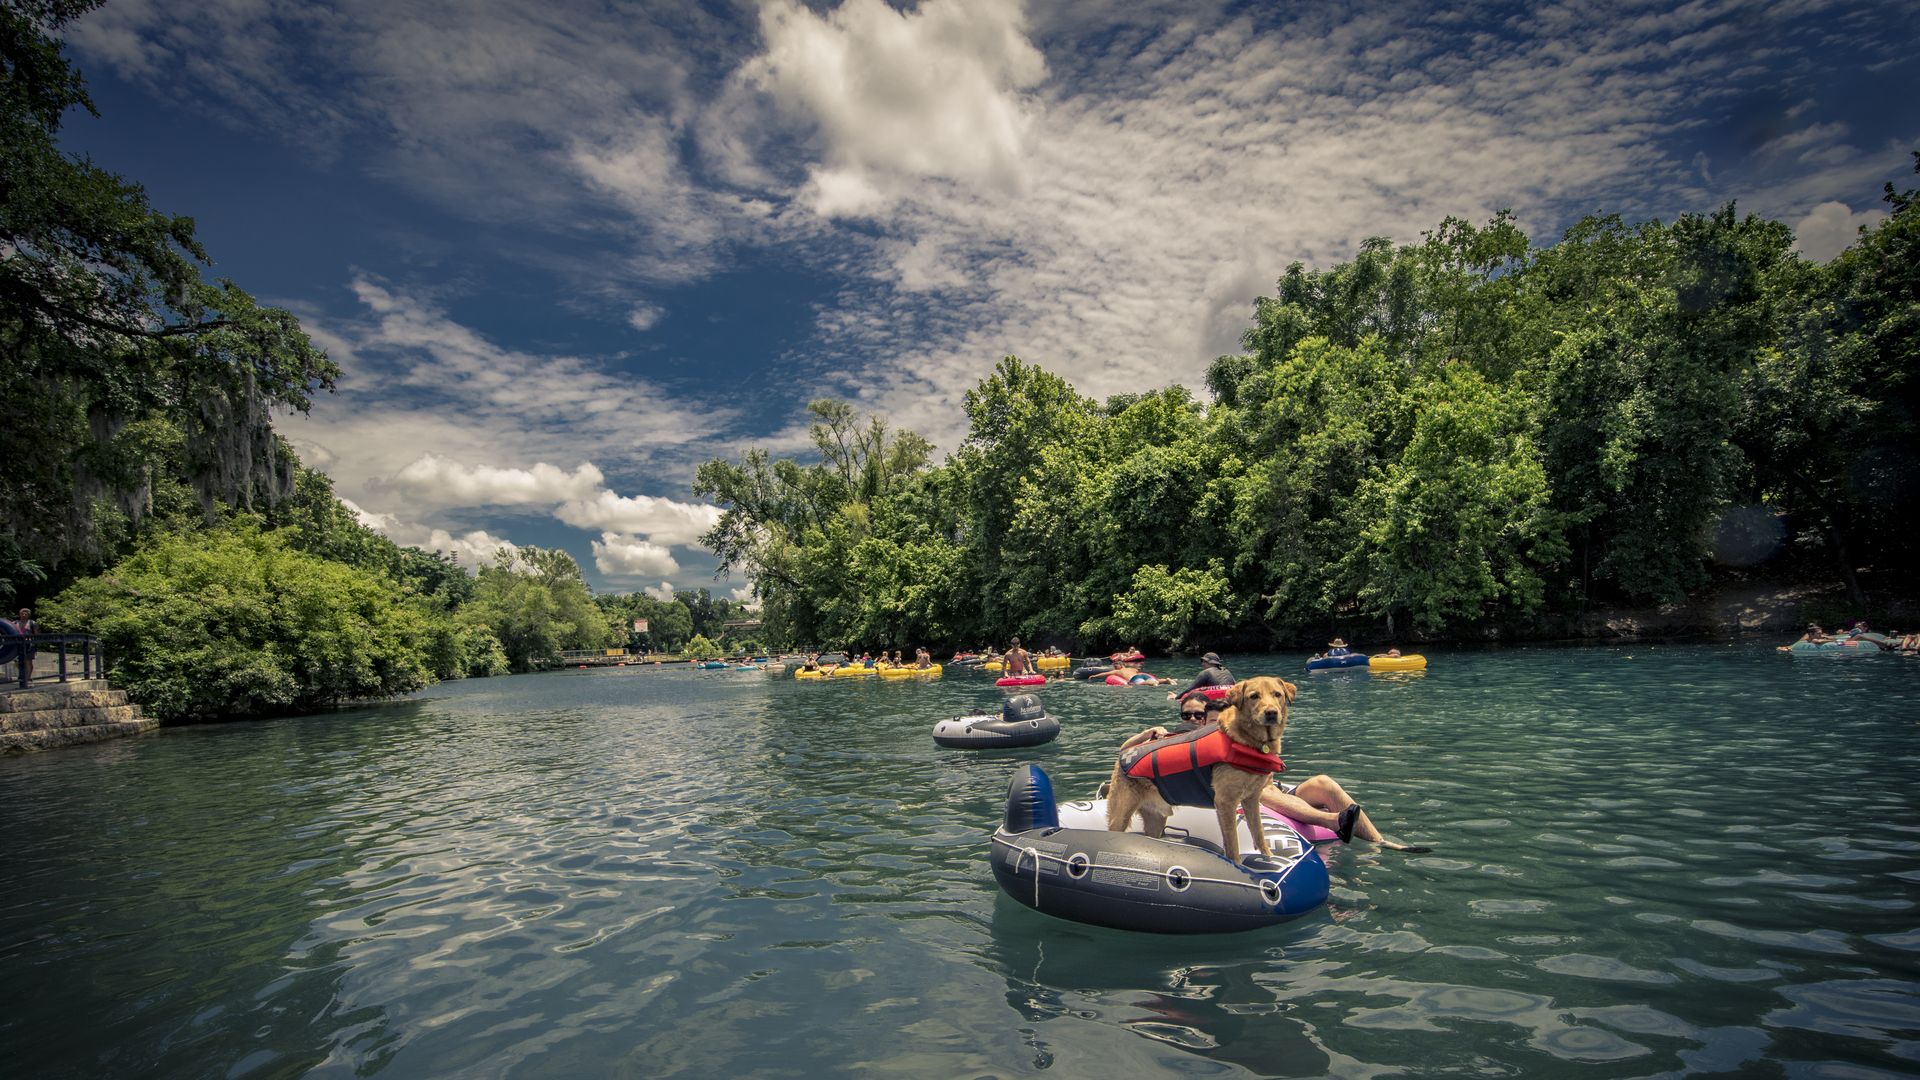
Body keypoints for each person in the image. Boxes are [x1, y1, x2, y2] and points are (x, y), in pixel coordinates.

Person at [1169, 651, 1234, 701]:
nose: (1202, 664)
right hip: (1231, 697)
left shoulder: (1206, 672)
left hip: (1217, 700)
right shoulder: (1226, 671)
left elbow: (1190, 690)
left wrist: (1176, 697)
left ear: (1211, 662)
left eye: (1204, 661)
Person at [14, 607, 35, 681]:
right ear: (19, 614)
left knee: (28, 660)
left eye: (25, 614)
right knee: (17, 661)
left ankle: (28, 677)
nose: (23, 615)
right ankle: (22, 675)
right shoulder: (15, 623)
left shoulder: (32, 623)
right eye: (22, 613)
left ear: (28, 615)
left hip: (29, 644)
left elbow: (37, 633)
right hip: (18, 644)